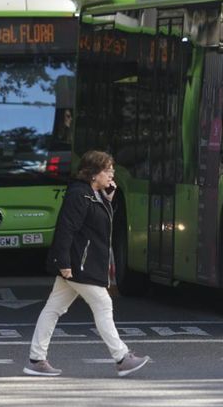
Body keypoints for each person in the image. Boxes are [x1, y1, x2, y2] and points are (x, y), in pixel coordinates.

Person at [23, 150, 150, 377]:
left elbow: (99, 224)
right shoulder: (79, 195)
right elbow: (65, 230)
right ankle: (121, 357)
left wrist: (109, 200)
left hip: (81, 263)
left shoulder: (94, 194)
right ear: (93, 174)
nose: (112, 174)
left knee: (53, 309)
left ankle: (36, 359)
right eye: (107, 170)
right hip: (78, 265)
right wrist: (64, 263)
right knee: (103, 305)